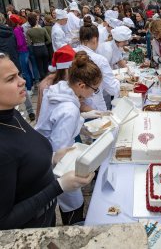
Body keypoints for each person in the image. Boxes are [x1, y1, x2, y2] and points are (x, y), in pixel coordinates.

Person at [0, 52, 94, 229]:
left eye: (19, 74)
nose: (22, 81)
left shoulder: (11, 114)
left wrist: (52, 157)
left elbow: (26, 153)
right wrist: (58, 186)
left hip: (45, 218)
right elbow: (4, 221)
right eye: (11, 79)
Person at [35, 51, 101, 225]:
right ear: (81, 85)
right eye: (94, 89)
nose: (94, 94)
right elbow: (60, 148)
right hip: (57, 163)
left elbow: (56, 119)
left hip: (42, 148)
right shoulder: (70, 110)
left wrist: (85, 116)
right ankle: (73, 224)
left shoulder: (61, 89)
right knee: (72, 201)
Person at [76, 17, 120, 111]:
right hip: (94, 106)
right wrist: (118, 81)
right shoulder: (99, 60)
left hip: (76, 106)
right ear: (95, 39)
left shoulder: (71, 53)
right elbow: (112, 89)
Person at [36, 44, 76, 120]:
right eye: (73, 68)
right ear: (65, 69)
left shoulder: (70, 80)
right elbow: (41, 113)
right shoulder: (46, 86)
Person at [26, 13, 51, 80]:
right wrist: (43, 43)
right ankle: (48, 79)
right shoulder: (43, 29)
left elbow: (29, 44)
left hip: (36, 50)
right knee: (46, 66)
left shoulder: (28, 31)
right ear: (36, 20)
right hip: (44, 48)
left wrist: (34, 44)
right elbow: (49, 40)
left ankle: (43, 80)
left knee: (39, 67)